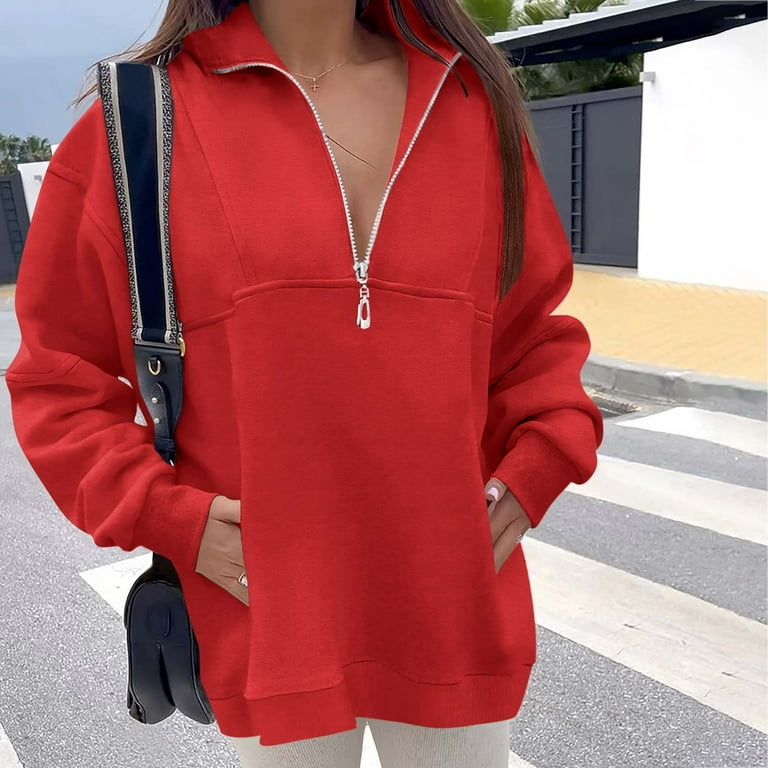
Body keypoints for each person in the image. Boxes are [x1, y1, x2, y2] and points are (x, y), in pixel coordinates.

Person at [6, 0, 604, 765]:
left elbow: (531, 332)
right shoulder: (140, 123)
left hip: (454, 611)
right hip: (273, 624)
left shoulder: (469, 99)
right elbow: (59, 378)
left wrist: (541, 457)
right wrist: (168, 516)